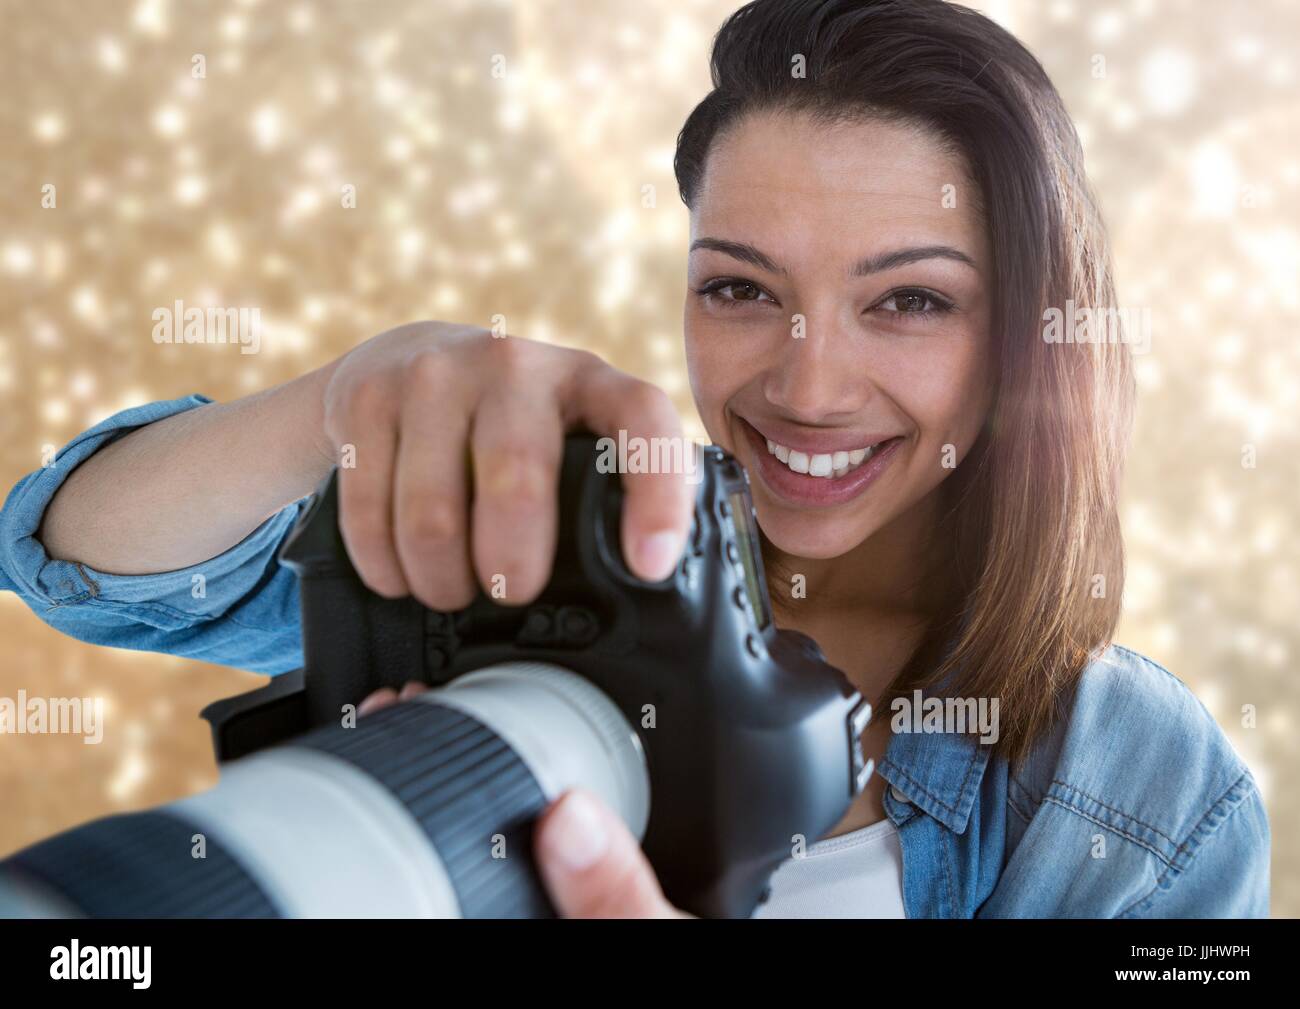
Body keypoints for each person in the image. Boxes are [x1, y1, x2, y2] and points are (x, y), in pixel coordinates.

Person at [0, 0, 1269, 917]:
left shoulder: (1141, 790)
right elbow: (76, 562)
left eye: (910, 302)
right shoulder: (556, 540)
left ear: (1026, 338)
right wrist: (336, 400)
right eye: (737, 289)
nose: (805, 385)